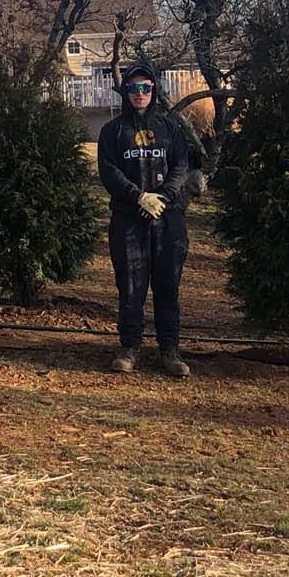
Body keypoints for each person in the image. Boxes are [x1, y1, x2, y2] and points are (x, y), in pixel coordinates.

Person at [96, 63, 192, 377]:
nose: (140, 94)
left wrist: (162, 197)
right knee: (131, 286)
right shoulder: (112, 131)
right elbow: (109, 172)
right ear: (126, 92)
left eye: (146, 88)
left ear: (154, 90)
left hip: (168, 219)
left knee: (167, 286)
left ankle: (170, 350)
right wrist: (138, 196)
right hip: (128, 220)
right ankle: (129, 347)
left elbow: (181, 166)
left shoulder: (170, 127)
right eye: (134, 88)